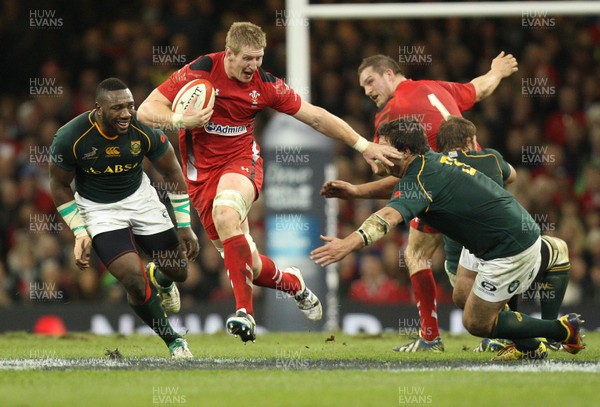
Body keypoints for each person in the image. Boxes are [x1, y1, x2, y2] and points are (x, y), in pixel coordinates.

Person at [136, 22, 402, 343]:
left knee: (226, 212)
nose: (254, 66)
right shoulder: (201, 70)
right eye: (247, 58)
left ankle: (244, 313)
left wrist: (363, 145)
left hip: (241, 162)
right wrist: (181, 120)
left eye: (259, 58)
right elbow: (147, 110)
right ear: (229, 54)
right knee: (247, 262)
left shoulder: (266, 85)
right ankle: (293, 284)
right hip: (200, 178)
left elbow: (316, 116)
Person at [311, 117, 584, 360]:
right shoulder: (429, 163)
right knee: (463, 294)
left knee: (475, 322)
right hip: (501, 235)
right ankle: (531, 345)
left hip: (507, 247)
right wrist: (357, 192)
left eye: (382, 147)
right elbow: (400, 186)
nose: (375, 153)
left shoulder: (420, 178)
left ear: (404, 152)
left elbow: (387, 219)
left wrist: (346, 244)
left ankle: (561, 330)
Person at [339, 52, 519, 351]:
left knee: (416, 254)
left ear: (388, 74)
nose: (368, 91)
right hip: (486, 179)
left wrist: (365, 176)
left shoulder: (392, 112)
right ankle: (500, 331)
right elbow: (480, 88)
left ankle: (431, 336)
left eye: (370, 81)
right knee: (479, 259)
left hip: (445, 188)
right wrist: (497, 71)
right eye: (362, 87)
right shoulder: (438, 87)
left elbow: (389, 167)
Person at [49, 78, 200, 359]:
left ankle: (162, 279)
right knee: (132, 278)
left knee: (180, 271)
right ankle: (174, 341)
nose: (127, 114)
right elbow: (58, 187)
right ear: (98, 109)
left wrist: (184, 225)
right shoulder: (70, 137)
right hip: (99, 210)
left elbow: (173, 172)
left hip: (140, 199)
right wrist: (80, 232)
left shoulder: (142, 129)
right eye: (117, 108)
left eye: (130, 106)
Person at [435, 117, 572, 358]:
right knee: (556, 249)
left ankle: (521, 340)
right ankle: (548, 335)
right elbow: (512, 176)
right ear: (469, 141)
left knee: (503, 276)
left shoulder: (433, 168)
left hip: (457, 264)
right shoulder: (489, 157)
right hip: (493, 250)